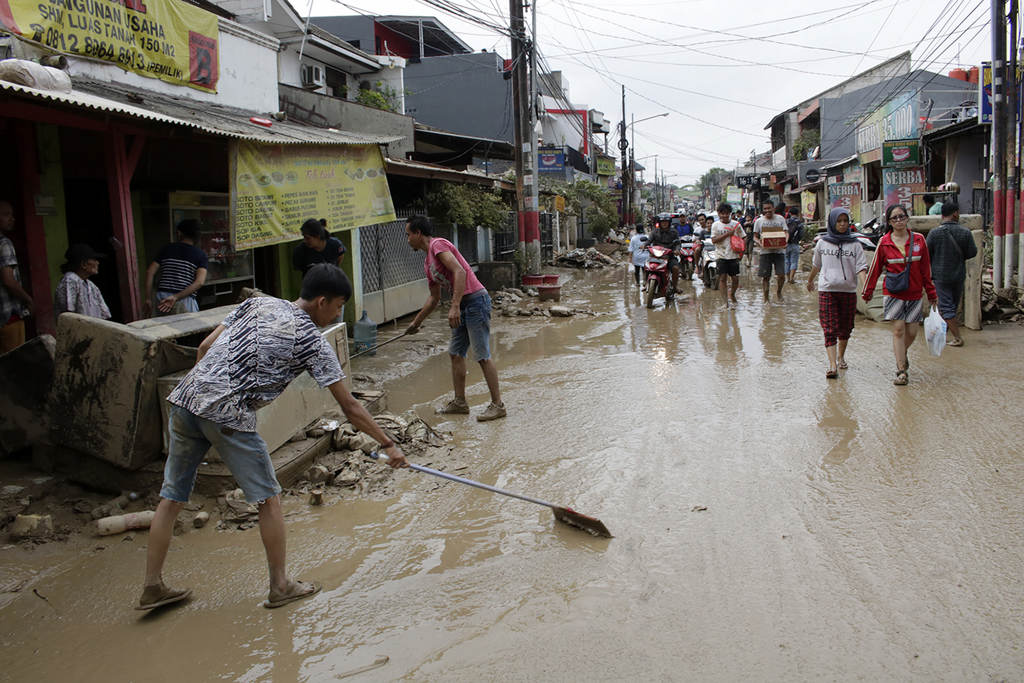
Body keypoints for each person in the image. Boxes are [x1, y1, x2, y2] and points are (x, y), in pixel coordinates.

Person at [137, 264, 408, 611]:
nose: (338, 314)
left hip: (185, 400)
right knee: (268, 498)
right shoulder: (311, 340)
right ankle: (280, 586)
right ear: (322, 301)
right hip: (228, 414)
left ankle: (152, 586)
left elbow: (205, 346)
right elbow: (350, 406)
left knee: (172, 497)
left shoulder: (257, 303)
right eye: (339, 306)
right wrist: (388, 444)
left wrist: (205, 388)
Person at [404, 215, 506, 422]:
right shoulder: (428, 263)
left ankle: (498, 405)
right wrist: (416, 322)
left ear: (418, 233)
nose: (407, 240)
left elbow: (459, 271)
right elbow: (434, 298)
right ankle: (460, 403)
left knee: (482, 355)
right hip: (463, 304)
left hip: (475, 302)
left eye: (408, 235)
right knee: (456, 353)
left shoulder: (438, 245)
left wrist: (455, 306)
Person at [862, 203, 938, 386]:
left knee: (912, 331)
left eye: (901, 216)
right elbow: (875, 269)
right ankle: (901, 370)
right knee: (898, 330)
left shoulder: (919, 240)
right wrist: (868, 291)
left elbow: (926, 269)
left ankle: (901, 354)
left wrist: (931, 293)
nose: (898, 220)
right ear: (889, 222)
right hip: (893, 292)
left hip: (915, 293)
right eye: (894, 218)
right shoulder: (884, 242)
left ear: (907, 218)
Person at [806, 208, 868, 378]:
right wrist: (810, 280)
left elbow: (861, 267)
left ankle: (841, 357)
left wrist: (865, 287)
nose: (842, 224)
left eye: (845, 221)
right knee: (829, 328)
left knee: (846, 327)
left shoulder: (855, 244)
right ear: (832, 223)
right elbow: (816, 265)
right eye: (838, 221)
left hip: (848, 291)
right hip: (827, 290)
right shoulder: (822, 243)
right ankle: (832, 365)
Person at [926, 201, 978, 347]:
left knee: (946, 306)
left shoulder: (934, 233)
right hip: (958, 275)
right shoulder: (965, 232)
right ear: (955, 213)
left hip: (940, 276)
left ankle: (957, 338)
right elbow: (972, 252)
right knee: (952, 305)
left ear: (942, 215)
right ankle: (945, 332)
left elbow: (926, 253)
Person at [144, 219, 208, 316]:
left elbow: (150, 272)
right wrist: (175, 297)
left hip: (162, 299)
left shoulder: (167, 249)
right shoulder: (200, 255)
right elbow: (199, 282)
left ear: (179, 233)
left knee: (163, 325)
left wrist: (148, 298)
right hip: (184, 300)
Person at [0, 200, 33, 354]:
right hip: (8, 317)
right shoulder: (4, 243)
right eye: (6, 215)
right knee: (13, 361)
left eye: (12, 215)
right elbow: (8, 280)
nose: (12, 219)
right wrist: (28, 300)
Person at [54, 244, 111, 319]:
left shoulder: (92, 286)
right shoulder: (70, 280)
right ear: (83, 264)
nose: (98, 263)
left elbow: (104, 315)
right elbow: (68, 315)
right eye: (94, 260)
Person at [709, 202, 744, 308]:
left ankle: (732, 294)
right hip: (721, 255)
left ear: (730, 213)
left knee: (735, 279)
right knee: (722, 278)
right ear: (719, 213)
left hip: (733, 255)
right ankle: (725, 302)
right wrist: (727, 234)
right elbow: (714, 240)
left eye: (726, 213)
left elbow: (744, 237)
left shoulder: (736, 225)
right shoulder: (715, 225)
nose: (724, 215)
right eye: (722, 213)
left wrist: (742, 251)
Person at [753, 199, 788, 302]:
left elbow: (786, 232)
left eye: (769, 208)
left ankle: (779, 292)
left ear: (773, 208)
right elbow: (755, 236)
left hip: (779, 252)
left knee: (781, 275)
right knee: (765, 276)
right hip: (765, 253)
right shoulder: (759, 221)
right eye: (765, 209)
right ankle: (766, 298)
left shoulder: (780, 219)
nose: (767, 210)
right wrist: (760, 243)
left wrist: (785, 241)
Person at [647, 216, 682, 299]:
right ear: (660, 223)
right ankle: (646, 283)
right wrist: (644, 245)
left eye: (666, 222)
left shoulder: (674, 232)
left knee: (676, 268)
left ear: (669, 223)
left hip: (669, 256)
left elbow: (678, 243)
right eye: (662, 222)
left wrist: (677, 250)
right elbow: (649, 241)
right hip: (656, 256)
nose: (664, 223)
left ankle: (675, 287)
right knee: (646, 266)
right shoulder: (655, 232)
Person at [785, 205, 803, 284]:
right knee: (794, 261)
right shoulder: (799, 223)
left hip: (786, 244)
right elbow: (801, 234)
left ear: (790, 213)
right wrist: (798, 240)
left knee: (786, 261)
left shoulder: (786, 221)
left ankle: (787, 278)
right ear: (798, 213)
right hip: (795, 244)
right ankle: (792, 278)